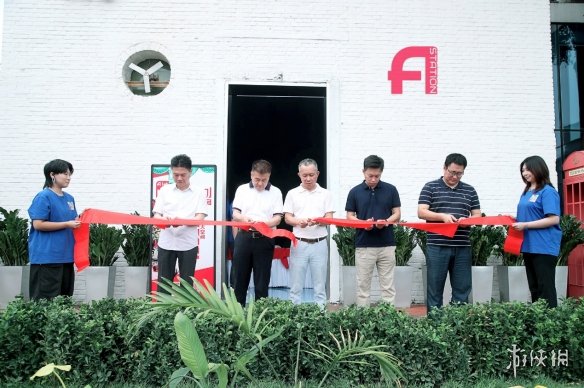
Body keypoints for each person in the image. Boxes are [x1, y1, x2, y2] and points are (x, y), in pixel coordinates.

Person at [418, 153, 481, 310]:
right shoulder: (430, 187)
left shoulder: (470, 190)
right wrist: (442, 217)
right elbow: (422, 212)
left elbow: (477, 215)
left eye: (459, 173)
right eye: (452, 172)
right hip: (437, 245)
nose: (455, 176)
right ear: (444, 168)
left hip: (462, 246)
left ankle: (456, 325)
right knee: (435, 289)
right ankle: (435, 327)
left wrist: (468, 222)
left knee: (462, 289)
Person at [345, 155, 401, 306]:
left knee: (388, 286)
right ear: (363, 171)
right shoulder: (355, 192)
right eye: (370, 175)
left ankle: (388, 319)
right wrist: (363, 223)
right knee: (363, 286)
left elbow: (397, 213)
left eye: (377, 176)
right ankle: (364, 320)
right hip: (364, 245)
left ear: (381, 172)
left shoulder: (391, 189)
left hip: (387, 245)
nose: (374, 179)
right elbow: (350, 216)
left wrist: (387, 222)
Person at [231, 160, 283, 306]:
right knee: (239, 279)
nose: (260, 183)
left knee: (262, 281)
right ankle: (238, 313)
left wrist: (263, 224)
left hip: (265, 238)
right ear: (251, 175)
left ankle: (261, 314)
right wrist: (244, 219)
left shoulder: (276, 192)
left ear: (269, 176)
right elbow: (235, 214)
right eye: (257, 179)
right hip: (244, 237)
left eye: (264, 180)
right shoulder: (242, 189)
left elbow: (278, 218)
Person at [283, 158, 334, 308]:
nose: (308, 178)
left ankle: (321, 316)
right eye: (304, 175)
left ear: (317, 174)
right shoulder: (292, 193)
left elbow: (329, 218)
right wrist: (299, 222)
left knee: (319, 286)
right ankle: (294, 316)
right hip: (298, 242)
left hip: (319, 243)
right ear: (299, 174)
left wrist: (318, 221)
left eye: (311, 175)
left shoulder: (326, 194)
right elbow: (287, 218)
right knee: (296, 285)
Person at [512, 156, 561, 308]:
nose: (524, 173)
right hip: (528, 246)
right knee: (534, 288)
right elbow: (530, 215)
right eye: (522, 170)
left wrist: (525, 224)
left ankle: (550, 324)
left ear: (538, 168)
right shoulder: (527, 191)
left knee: (545, 288)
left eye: (527, 169)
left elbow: (553, 219)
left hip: (544, 246)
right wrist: (514, 219)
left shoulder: (548, 191)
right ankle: (538, 322)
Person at [28, 159, 81, 300]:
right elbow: (38, 224)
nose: (68, 178)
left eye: (70, 174)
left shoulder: (70, 198)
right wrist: (67, 224)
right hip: (47, 258)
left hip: (66, 256)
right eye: (65, 174)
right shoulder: (43, 196)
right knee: (45, 302)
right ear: (52, 175)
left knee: (64, 299)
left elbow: (71, 220)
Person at [153, 154, 208, 289]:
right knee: (164, 284)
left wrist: (181, 221)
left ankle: (186, 310)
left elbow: (200, 218)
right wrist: (165, 220)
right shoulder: (165, 191)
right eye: (175, 174)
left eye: (183, 174)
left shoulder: (198, 192)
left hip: (188, 244)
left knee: (187, 285)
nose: (179, 178)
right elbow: (156, 216)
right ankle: (163, 310)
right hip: (166, 242)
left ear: (190, 172)